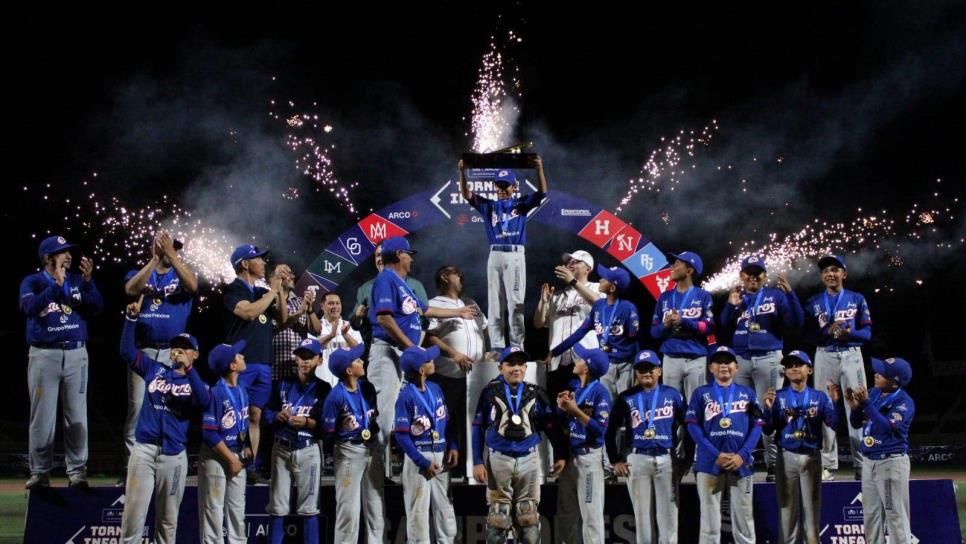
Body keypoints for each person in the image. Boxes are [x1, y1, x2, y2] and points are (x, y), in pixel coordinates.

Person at [367, 236, 476, 478]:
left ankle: (395, 473)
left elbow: (424, 310)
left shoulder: (402, 283)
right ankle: (377, 478)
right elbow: (384, 318)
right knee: (385, 419)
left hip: (400, 353)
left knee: (403, 414)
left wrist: (458, 312)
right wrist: (411, 347)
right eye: (409, 254)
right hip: (388, 351)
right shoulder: (386, 278)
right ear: (398, 255)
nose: (411, 259)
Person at [119, 301, 208, 544]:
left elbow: (203, 402)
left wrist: (189, 370)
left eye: (185, 348)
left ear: (195, 354)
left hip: (173, 456)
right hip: (144, 451)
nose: (178, 351)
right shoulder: (154, 369)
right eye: (176, 347)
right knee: (132, 520)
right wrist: (130, 321)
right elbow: (127, 353)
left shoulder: (196, 382)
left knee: (168, 524)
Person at [20, 235, 103, 489]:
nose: (68, 256)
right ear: (48, 258)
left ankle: (77, 472)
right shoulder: (32, 281)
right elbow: (29, 308)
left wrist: (88, 282)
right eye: (62, 252)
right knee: (42, 416)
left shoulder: (77, 280)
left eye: (69, 251)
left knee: (76, 416)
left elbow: (96, 307)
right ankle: (40, 472)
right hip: (45, 354)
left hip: (76, 353)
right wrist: (55, 287)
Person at [122, 231, 198, 482]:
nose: (168, 250)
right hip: (145, 348)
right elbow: (131, 289)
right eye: (164, 246)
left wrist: (172, 256)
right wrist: (154, 260)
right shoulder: (142, 271)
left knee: (169, 404)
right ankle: (133, 465)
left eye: (173, 247)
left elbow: (193, 286)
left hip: (172, 351)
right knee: (137, 405)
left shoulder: (181, 273)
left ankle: (164, 461)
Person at [720, 255, 803, 481]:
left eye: (758, 272)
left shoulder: (775, 296)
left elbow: (796, 322)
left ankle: (773, 465)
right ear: (742, 275)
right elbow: (723, 325)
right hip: (741, 361)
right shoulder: (737, 297)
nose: (753, 276)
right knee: (738, 412)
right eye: (749, 272)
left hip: (769, 358)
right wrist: (730, 305)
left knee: (768, 411)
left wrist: (790, 295)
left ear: (765, 276)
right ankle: (739, 461)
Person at [472, 346, 567, 544]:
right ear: (500, 368)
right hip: (499, 459)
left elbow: (550, 426)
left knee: (528, 515)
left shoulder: (536, 393)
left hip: (528, 459)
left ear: (526, 367)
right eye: (510, 364)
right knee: (499, 516)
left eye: (520, 364)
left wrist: (560, 454)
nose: (516, 368)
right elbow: (478, 427)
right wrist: (477, 461)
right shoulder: (490, 392)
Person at [458, 156, 549, 349]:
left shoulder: (523, 203)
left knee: (515, 304)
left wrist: (539, 169)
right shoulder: (488, 206)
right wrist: (462, 173)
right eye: (498, 186)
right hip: (495, 254)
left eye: (505, 186)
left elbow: (542, 192)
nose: (501, 190)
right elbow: (467, 194)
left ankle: (517, 346)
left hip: (515, 255)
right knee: (494, 304)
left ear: (514, 186)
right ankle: (497, 347)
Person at [804, 254, 872, 481]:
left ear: (844, 273)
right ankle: (827, 465)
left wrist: (849, 333)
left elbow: (867, 334)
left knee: (857, 406)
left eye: (835, 270)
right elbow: (808, 334)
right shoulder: (814, 302)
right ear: (822, 276)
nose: (830, 274)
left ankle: (862, 464)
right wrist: (827, 330)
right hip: (825, 355)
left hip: (852, 354)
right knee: (825, 408)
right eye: (825, 271)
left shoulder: (857, 299)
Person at [685, 346, 763, 544]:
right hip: (709, 463)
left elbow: (757, 427)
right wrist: (715, 454)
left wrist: (742, 455)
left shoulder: (748, 393)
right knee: (709, 524)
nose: (723, 366)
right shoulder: (700, 393)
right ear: (710, 367)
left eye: (728, 362)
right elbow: (693, 428)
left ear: (736, 367)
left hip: (742, 463)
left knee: (744, 521)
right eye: (718, 362)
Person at [606, 349, 685, 544]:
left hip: (666, 458)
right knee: (642, 518)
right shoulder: (625, 398)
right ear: (635, 372)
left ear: (659, 370)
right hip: (637, 458)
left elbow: (688, 426)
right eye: (641, 369)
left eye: (650, 368)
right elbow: (610, 430)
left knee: (668, 517)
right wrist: (615, 459)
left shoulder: (672, 395)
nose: (646, 372)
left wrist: (687, 457)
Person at [760, 350, 839, 544]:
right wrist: (768, 410)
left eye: (798, 364)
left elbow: (834, 424)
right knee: (787, 514)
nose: (794, 368)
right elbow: (769, 430)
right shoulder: (777, 396)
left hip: (811, 456)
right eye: (789, 365)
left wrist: (835, 403)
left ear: (810, 369)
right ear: (785, 372)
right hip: (786, 456)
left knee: (812, 517)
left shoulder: (819, 397)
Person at [223, 244, 285, 483]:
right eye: (258, 259)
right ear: (245, 264)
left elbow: (281, 318)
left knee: (256, 415)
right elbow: (247, 312)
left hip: (263, 361)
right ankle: (232, 457)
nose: (263, 262)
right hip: (241, 362)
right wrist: (272, 292)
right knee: (237, 412)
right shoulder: (233, 289)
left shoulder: (262, 291)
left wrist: (278, 291)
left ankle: (252, 465)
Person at [264, 338, 331, 544]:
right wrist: (276, 416)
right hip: (282, 448)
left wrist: (308, 422)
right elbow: (265, 413)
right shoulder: (283, 384)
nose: (304, 361)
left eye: (310, 357)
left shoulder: (324, 388)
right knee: (277, 507)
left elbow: (327, 427)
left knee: (309, 509)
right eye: (301, 357)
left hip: (308, 449)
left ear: (319, 360)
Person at [425, 264, 488, 477]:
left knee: (472, 422)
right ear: (444, 277)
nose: (461, 275)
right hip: (447, 375)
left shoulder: (471, 303)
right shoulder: (434, 304)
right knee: (447, 422)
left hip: (475, 376)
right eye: (455, 272)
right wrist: (454, 354)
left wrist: (486, 353)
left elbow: (483, 330)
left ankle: (472, 470)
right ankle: (446, 471)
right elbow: (429, 336)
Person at [394, 346, 459, 544]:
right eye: (429, 360)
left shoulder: (435, 388)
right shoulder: (406, 396)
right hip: (419, 460)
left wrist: (453, 445)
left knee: (446, 510)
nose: (433, 362)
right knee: (418, 514)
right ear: (421, 370)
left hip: (440, 455)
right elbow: (401, 436)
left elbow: (446, 421)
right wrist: (422, 462)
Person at [848, 357, 915, 544]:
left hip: (890, 462)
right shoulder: (874, 393)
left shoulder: (904, 402)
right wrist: (855, 408)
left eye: (883, 373)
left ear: (894, 382)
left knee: (896, 517)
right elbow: (855, 423)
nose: (876, 374)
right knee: (871, 517)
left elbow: (887, 427)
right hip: (869, 460)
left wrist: (867, 405)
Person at [322, 345, 384, 543]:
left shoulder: (367, 388)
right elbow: (328, 432)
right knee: (348, 511)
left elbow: (374, 417)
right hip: (348, 451)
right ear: (349, 371)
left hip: (371, 449)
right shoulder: (335, 396)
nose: (362, 361)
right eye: (357, 361)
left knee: (376, 507)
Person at [549, 264, 639, 401]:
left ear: (612, 288)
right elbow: (579, 333)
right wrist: (553, 352)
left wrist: (637, 367)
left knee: (626, 403)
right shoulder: (598, 307)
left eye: (605, 279)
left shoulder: (627, 308)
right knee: (608, 402)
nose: (601, 280)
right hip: (605, 364)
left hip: (625, 365)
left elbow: (636, 340)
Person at [555, 344, 611, 544]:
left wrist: (575, 411)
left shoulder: (601, 393)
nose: (575, 360)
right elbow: (566, 421)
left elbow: (600, 430)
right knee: (567, 514)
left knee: (591, 515)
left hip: (589, 457)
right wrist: (562, 407)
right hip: (571, 456)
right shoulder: (576, 389)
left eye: (580, 359)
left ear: (586, 368)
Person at [199, 340, 251, 544]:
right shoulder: (217, 392)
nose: (243, 357)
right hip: (217, 456)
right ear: (232, 365)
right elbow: (209, 433)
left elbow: (242, 424)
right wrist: (231, 459)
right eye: (239, 355)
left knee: (237, 514)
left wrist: (245, 448)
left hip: (236, 454)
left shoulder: (242, 389)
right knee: (213, 512)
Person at [534, 250, 603, 400]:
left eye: (576, 261)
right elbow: (539, 324)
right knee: (557, 410)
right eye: (568, 262)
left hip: (585, 362)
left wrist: (573, 281)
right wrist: (543, 302)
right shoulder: (557, 295)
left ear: (588, 269)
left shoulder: (596, 288)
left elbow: (600, 304)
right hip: (557, 362)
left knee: (583, 407)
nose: (570, 264)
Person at [651, 251, 714, 403]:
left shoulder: (703, 296)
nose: (672, 267)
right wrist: (665, 325)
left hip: (696, 358)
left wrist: (684, 321)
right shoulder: (664, 297)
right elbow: (653, 332)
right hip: (671, 358)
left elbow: (708, 327)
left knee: (697, 404)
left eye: (677, 264)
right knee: (669, 405)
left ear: (689, 270)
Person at [350, 241, 429, 353]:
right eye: (378, 255)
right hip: (380, 348)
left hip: (407, 349)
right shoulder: (365, 288)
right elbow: (356, 325)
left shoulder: (415, 286)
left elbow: (423, 317)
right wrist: (358, 317)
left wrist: (413, 347)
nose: (381, 259)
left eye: (384, 255)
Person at [270, 263, 321, 382]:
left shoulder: (299, 302)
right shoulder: (267, 300)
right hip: (275, 370)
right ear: (275, 277)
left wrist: (310, 310)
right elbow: (280, 323)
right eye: (286, 273)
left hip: (299, 371)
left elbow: (317, 331)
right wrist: (300, 312)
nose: (292, 276)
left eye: (291, 273)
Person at [316, 292, 362, 386]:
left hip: (345, 383)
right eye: (331, 303)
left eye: (338, 303)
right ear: (322, 306)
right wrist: (331, 336)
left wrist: (346, 335)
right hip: (321, 381)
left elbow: (359, 351)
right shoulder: (316, 326)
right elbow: (312, 348)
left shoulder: (350, 326)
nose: (335, 306)